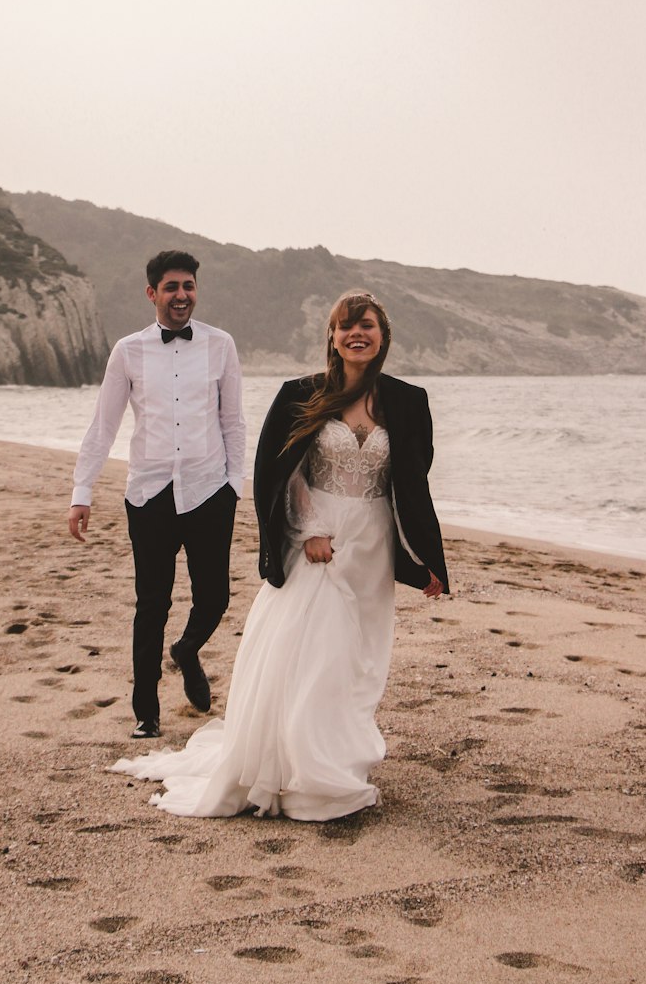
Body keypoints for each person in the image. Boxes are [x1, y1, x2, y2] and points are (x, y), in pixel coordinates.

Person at [111, 289, 448, 820]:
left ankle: (338, 754)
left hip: (373, 545)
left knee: (358, 660)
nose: (357, 334)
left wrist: (424, 556)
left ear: (383, 337)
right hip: (318, 542)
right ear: (332, 338)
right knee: (313, 653)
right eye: (346, 326)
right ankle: (310, 774)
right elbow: (277, 471)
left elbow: (413, 484)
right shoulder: (301, 393)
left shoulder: (408, 401)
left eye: (367, 326)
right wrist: (308, 527)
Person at [69, 250, 245, 740]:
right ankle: (146, 712)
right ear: (152, 293)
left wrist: (235, 485)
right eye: (171, 287)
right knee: (152, 603)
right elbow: (103, 425)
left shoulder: (221, 345)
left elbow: (233, 420)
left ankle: (187, 651)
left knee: (214, 597)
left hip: (211, 489)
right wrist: (81, 491)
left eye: (188, 285)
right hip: (149, 494)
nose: (182, 295)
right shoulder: (128, 351)